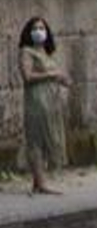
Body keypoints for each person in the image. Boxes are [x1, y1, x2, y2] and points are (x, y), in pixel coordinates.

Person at [17, 16, 71, 195]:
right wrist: (51, 74)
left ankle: (37, 181)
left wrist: (62, 79)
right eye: (35, 28)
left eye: (42, 28)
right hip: (36, 101)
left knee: (47, 137)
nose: (39, 31)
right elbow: (27, 77)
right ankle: (42, 183)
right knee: (36, 139)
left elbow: (54, 75)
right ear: (28, 32)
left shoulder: (46, 54)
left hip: (50, 101)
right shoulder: (26, 51)